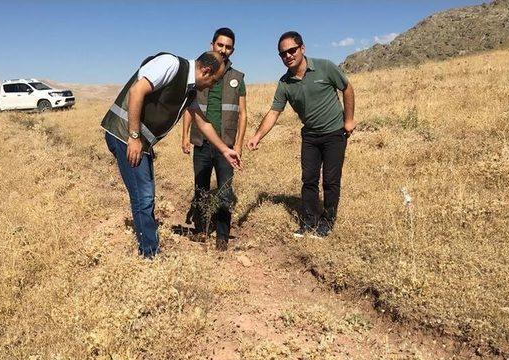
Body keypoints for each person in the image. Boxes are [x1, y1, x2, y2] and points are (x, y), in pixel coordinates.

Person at [101, 51, 241, 258]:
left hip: (139, 142)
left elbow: (201, 121)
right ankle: (149, 254)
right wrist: (133, 136)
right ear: (206, 71)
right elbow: (136, 91)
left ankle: (148, 246)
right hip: (124, 136)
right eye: (215, 80)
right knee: (144, 195)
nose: (213, 85)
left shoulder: (189, 90)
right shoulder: (171, 65)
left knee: (146, 194)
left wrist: (224, 149)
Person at [247, 31, 356, 237]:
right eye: (283, 54)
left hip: (334, 133)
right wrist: (257, 136)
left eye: (292, 50)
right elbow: (274, 112)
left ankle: (328, 222)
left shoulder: (324, 67)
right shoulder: (285, 83)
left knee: (331, 180)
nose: (288, 56)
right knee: (309, 179)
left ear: (302, 49)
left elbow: (347, 88)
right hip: (310, 137)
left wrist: (348, 120)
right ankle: (310, 221)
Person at [181, 27, 247, 251]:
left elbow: (243, 114)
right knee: (200, 188)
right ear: (212, 45)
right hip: (201, 142)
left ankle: (221, 237)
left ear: (233, 50)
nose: (224, 49)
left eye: (228, 47)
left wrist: (237, 144)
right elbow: (190, 109)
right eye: (220, 45)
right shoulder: (201, 72)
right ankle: (200, 231)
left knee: (225, 190)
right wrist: (185, 137)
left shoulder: (237, 78)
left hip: (225, 145)